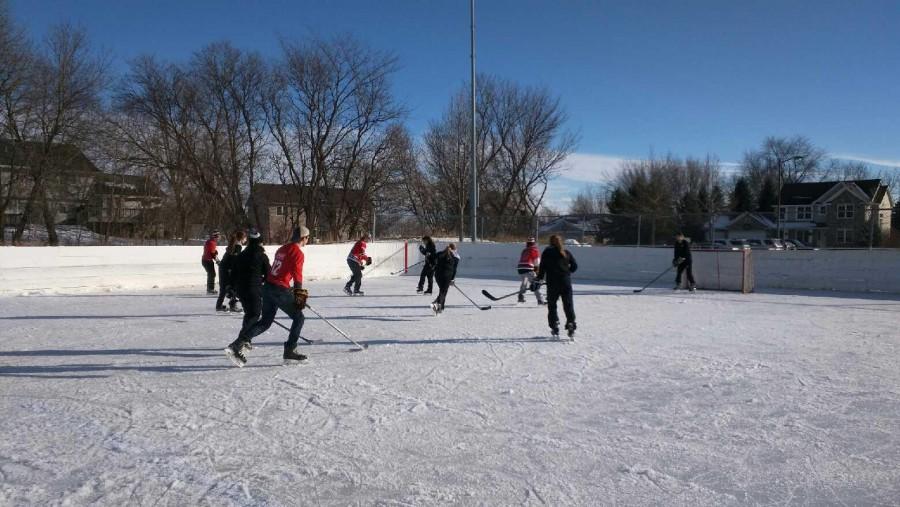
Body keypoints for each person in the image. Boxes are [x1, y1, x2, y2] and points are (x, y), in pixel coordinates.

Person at [226, 226, 311, 366]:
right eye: (307, 237)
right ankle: (290, 350)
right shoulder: (298, 253)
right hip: (279, 290)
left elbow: (277, 271)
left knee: (265, 322)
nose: (308, 240)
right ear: (303, 238)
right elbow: (298, 278)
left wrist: (288, 288)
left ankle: (237, 344)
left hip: (268, 288)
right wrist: (300, 300)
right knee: (299, 317)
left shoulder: (282, 248)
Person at [230, 229, 270, 351]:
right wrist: (263, 281)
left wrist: (231, 288)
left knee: (249, 314)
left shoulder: (241, 255)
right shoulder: (261, 256)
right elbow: (269, 274)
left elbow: (233, 273)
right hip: (253, 289)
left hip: (240, 289)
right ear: (259, 243)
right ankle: (240, 341)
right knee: (255, 314)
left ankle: (245, 340)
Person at [537, 234, 578, 338]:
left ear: (550, 242)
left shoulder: (547, 252)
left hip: (552, 283)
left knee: (552, 305)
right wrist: (566, 272)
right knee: (568, 304)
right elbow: (574, 266)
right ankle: (571, 323)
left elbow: (542, 268)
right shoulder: (566, 252)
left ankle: (554, 324)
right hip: (565, 282)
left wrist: (539, 279)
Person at [216, 230, 247, 312]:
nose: (246, 240)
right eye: (245, 238)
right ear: (242, 238)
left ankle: (219, 305)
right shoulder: (238, 246)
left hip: (223, 268)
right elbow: (234, 260)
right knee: (234, 286)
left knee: (224, 287)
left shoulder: (233, 244)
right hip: (227, 269)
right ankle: (232, 305)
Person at [430, 243, 459, 315]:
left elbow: (432, 260)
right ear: (454, 249)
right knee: (443, 291)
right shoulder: (456, 256)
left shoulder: (440, 253)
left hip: (437, 275)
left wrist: (431, 263)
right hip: (447, 276)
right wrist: (452, 279)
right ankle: (437, 304)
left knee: (442, 291)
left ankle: (440, 307)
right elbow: (454, 269)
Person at [516, 237, 545, 305]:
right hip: (528, 268)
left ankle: (521, 296)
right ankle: (540, 300)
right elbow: (537, 261)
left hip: (520, 269)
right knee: (535, 283)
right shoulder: (534, 249)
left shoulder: (524, 250)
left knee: (524, 282)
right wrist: (537, 269)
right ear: (534, 243)